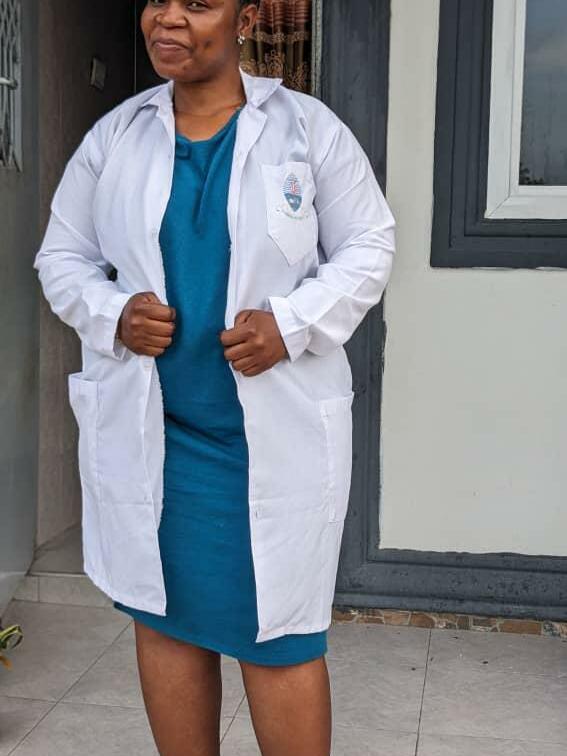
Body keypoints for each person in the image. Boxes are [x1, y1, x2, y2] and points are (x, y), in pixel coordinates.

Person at [33, 1, 396, 754]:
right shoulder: (115, 136)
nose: (167, 19)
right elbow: (61, 257)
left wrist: (291, 323)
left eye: (197, 3)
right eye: (157, 1)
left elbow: (369, 246)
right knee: (166, 619)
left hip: (267, 439)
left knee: (280, 638)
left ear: (247, 18)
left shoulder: (308, 130)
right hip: (157, 434)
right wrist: (112, 312)